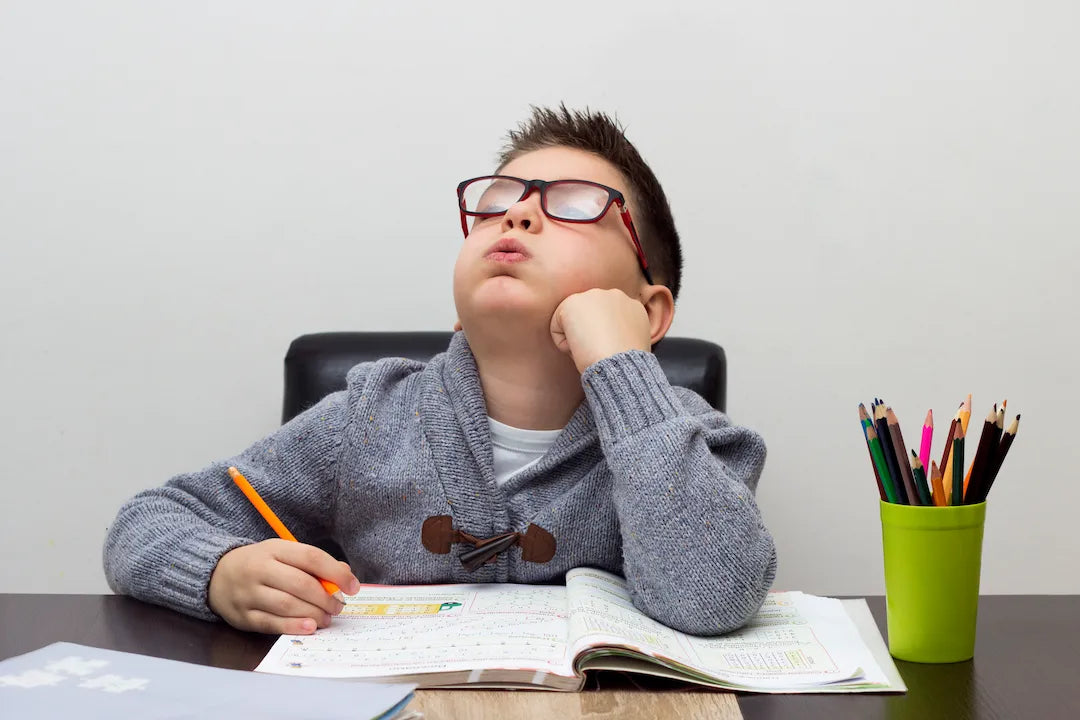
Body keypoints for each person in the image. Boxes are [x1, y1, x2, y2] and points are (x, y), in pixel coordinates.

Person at [104, 104, 776, 637]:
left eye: (573, 204)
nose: (516, 212)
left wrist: (622, 365)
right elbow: (147, 521)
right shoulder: (370, 417)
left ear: (647, 310)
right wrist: (220, 573)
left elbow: (712, 597)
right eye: (499, 199)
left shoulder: (696, 440)